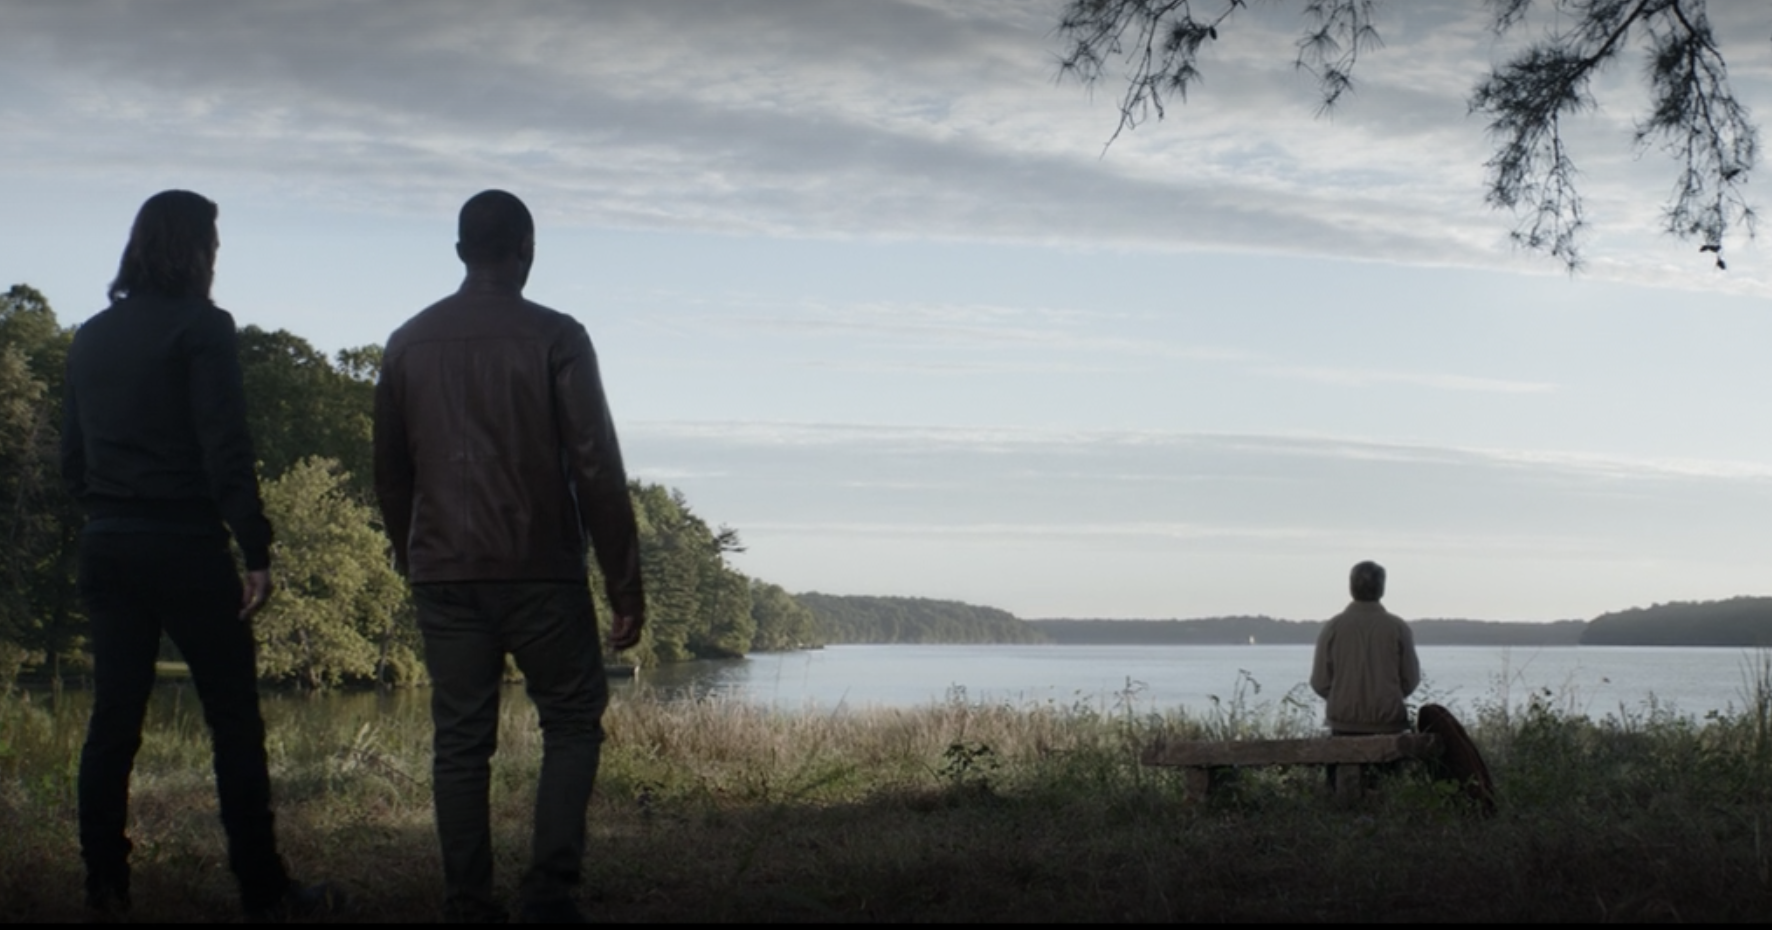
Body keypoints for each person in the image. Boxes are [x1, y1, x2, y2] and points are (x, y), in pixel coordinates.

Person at [61, 190, 337, 919]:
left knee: (113, 721)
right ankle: (262, 887)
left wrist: (106, 511)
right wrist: (255, 546)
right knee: (234, 720)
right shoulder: (204, 327)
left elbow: (70, 459)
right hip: (183, 544)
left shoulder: (89, 336)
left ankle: (105, 886)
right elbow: (225, 446)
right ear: (199, 249)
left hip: (107, 543)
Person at [373, 189, 646, 924]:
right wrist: (625, 585)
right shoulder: (557, 337)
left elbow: (390, 473)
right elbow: (596, 465)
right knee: (572, 718)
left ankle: (467, 902)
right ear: (526, 250)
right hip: (538, 567)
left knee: (461, 739)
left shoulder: (406, 342)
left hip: (444, 571)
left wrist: (412, 555)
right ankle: (549, 895)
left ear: (462, 252)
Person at [1310, 560, 1421, 735]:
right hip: (1389, 723)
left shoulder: (1333, 627)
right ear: (1382, 588)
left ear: (1351, 587)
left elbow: (1320, 681)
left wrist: (1342, 697)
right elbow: (1410, 678)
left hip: (1343, 723)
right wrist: (1388, 697)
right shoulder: (1398, 627)